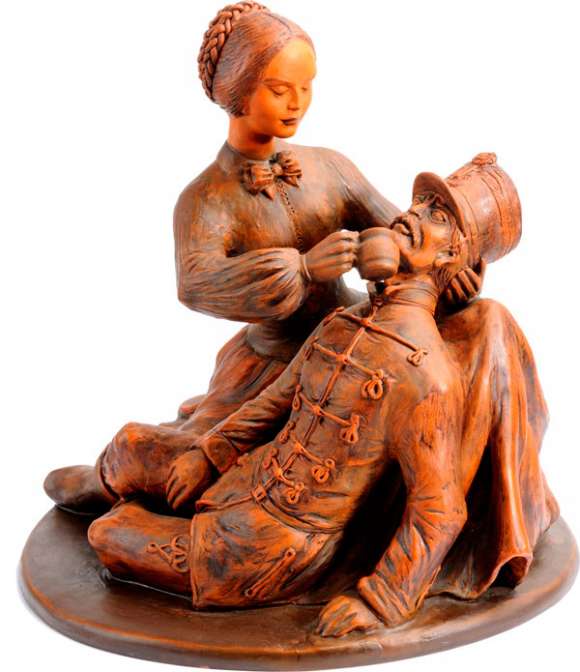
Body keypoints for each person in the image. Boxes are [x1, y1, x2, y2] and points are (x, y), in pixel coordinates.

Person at [84, 154, 558, 638]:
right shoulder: (341, 323)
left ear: (451, 258)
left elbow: (439, 510)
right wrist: (209, 456)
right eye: (420, 202)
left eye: (437, 215)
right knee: (129, 446)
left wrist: (382, 601)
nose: (413, 213)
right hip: (243, 480)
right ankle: (108, 485)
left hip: (269, 549)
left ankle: (143, 512)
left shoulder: (426, 377)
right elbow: (272, 403)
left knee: (108, 535)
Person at [44, 1, 483, 514]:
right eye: (279, 89)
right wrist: (302, 269)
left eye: (307, 86)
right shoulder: (205, 199)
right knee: (205, 461)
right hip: (272, 365)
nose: (298, 103)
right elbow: (196, 283)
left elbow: (400, 229)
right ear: (237, 91)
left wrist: (449, 269)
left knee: (477, 336)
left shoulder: (331, 169)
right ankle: (113, 473)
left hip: (358, 341)